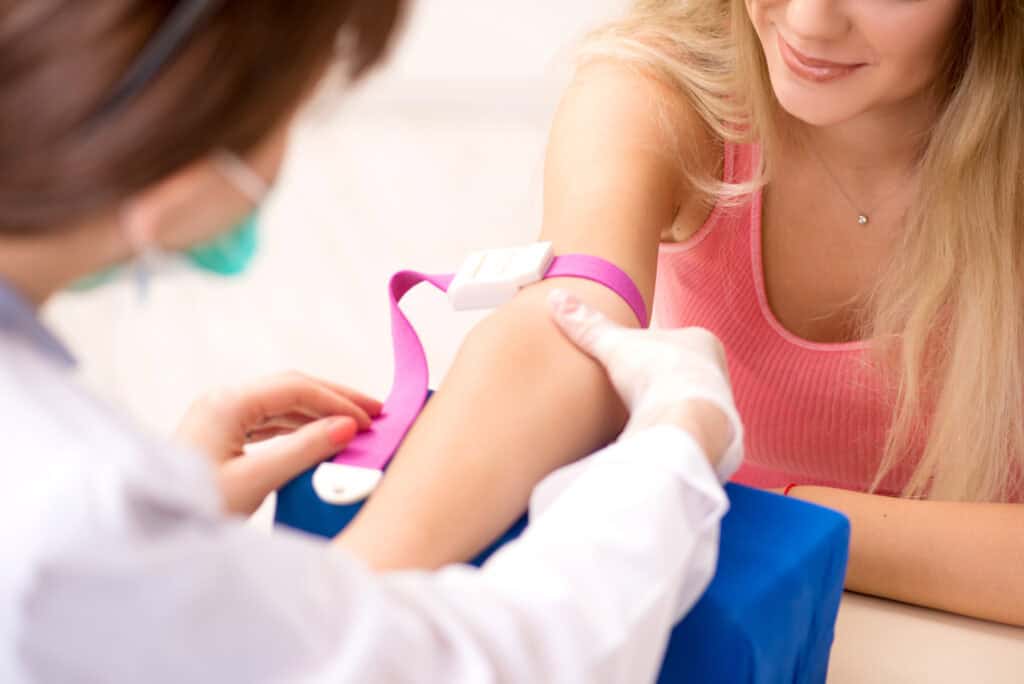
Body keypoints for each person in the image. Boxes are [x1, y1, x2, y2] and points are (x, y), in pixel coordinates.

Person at [0, 1, 744, 681]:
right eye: (293, 114)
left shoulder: (85, 509)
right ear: (182, 182)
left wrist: (177, 550)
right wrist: (673, 453)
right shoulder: (83, 517)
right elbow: (487, 658)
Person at [337, 0, 1024, 626]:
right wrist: (342, 604)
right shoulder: (667, 88)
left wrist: (762, 508)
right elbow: (568, 333)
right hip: (751, 605)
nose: (811, 20)